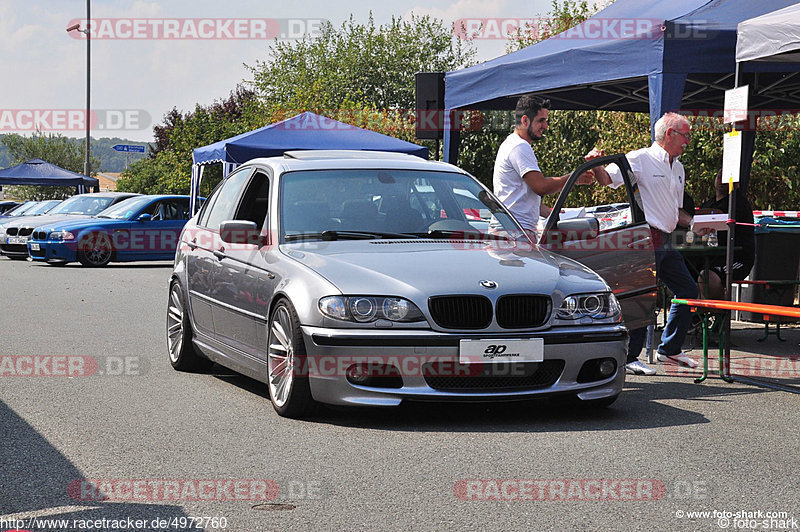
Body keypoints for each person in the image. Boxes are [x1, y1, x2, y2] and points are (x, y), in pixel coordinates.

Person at [590, 112, 699, 375]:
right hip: (644, 237)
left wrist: (697, 224)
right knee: (642, 296)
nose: (688, 141)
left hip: (666, 239)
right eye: (685, 135)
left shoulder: (679, 167)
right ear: (670, 134)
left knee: (688, 290)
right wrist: (595, 164)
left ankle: (669, 349)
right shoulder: (640, 158)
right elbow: (607, 180)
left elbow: (674, 211)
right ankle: (629, 357)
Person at [493, 95, 593, 238]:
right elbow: (541, 187)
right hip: (515, 232)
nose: (545, 126)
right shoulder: (520, 146)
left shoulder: (512, 144)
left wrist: (553, 213)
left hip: (511, 229)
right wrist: (575, 177)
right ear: (525, 120)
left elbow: (521, 199)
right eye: (541, 121)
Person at [697, 169, 755, 300]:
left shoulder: (738, 204)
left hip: (737, 258)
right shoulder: (708, 204)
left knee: (706, 276)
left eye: (726, 177)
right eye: (719, 176)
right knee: (684, 270)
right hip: (709, 256)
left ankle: (720, 315)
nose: (721, 180)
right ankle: (696, 316)